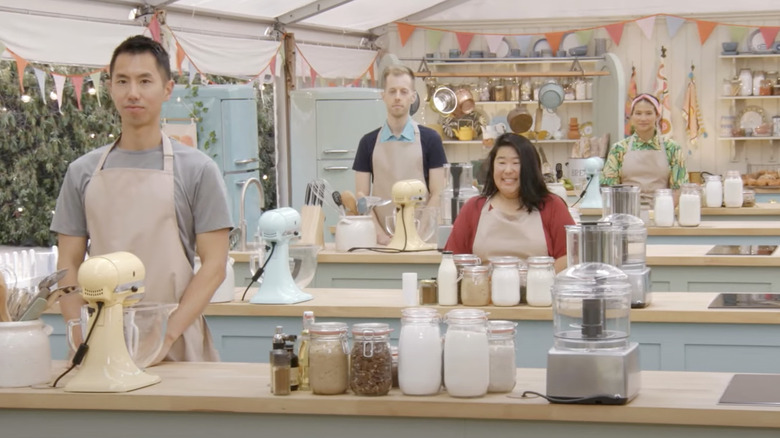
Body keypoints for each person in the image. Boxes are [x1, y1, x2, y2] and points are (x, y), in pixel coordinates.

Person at [50, 35, 233, 364]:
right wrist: (79, 333)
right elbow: (68, 265)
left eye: (145, 80)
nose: (132, 92)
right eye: (122, 81)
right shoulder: (82, 172)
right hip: (99, 344)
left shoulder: (198, 170)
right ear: (110, 88)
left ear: (167, 89)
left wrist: (167, 334)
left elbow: (215, 266)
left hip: (177, 344)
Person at [445, 133, 573, 272]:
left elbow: (571, 255)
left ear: (530, 168)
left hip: (538, 291)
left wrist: (539, 281)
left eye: (516, 163)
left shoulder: (552, 206)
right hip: (484, 292)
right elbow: (452, 260)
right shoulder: (473, 208)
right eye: (501, 163)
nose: (508, 170)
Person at [352, 65, 447, 243]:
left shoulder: (431, 139)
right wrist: (380, 235)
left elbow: (438, 193)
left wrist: (420, 233)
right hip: (382, 240)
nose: (397, 97)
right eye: (392, 91)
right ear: (383, 96)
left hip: (423, 238)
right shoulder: (367, 142)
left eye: (404, 92)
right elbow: (361, 196)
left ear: (413, 97)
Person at [600, 93, 688, 196]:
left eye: (648, 113)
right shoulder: (619, 149)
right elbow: (609, 188)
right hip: (626, 209)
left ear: (657, 116)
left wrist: (664, 210)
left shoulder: (672, 148)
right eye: (638, 113)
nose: (643, 118)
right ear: (631, 116)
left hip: (662, 208)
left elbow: (679, 189)